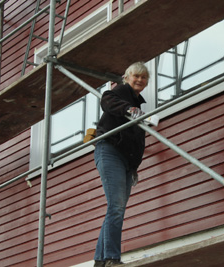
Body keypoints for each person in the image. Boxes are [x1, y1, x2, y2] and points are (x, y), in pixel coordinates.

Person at [93, 62, 149, 267]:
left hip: (126, 162)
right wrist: (129, 109)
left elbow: (136, 142)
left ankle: (100, 261)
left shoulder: (138, 105)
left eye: (143, 78)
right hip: (110, 151)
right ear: (126, 77)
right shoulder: (119, 93)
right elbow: (107, 101)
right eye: (136, 76)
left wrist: (134, 167)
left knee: (116, 209)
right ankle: (111, 259)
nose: (140, 80)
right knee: (116, 207)